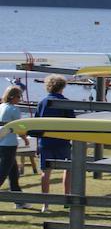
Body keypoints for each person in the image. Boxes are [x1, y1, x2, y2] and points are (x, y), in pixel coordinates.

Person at [35, 75, 75, 213]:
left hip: (45, 141)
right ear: (62, 87)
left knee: (45, 172)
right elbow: (72, 124)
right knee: (68, 169)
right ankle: (66, 199)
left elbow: (36, 125)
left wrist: (37, 145)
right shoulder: (66, 103)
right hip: (62, 141)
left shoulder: (42, 103)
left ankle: (45, 204)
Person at [0, 86, 29, 209]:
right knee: (3, 174)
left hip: (1, 143)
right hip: (9, 145)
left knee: (13, 174)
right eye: (19, 97)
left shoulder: (1, 107)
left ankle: (19, 201)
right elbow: (20, 128)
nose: (20, 99)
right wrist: (25, 138)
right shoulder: (14, 110)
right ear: (13, 97)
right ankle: (19, 201)